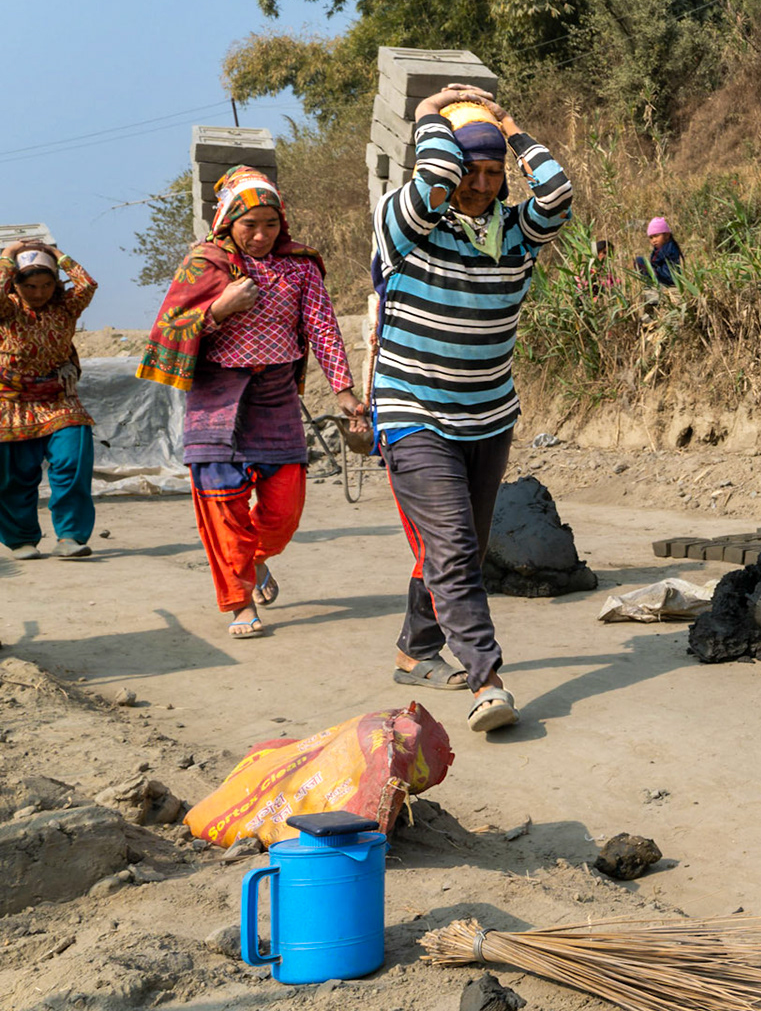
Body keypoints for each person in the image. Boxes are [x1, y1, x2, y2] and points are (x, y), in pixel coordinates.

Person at [371, 84, 572, 735]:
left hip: (489, 415)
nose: (480, 185)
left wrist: (510, 126)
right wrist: (429, 117)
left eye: (492, 174)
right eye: (469, 171)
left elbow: (557, 192)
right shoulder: (405, 223)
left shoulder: (513, 233)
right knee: (455, 547)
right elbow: (431, 179)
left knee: (463, 546)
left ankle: (414, 648)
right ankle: (486, 677)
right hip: (414, 411)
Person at [140, 167, 366, 636]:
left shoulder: (301, 266)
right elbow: (165, 332)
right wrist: (219, 308)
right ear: (228, 222)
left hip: (276, 396)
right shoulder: (203, 265)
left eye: (270, 224)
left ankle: (256, 559)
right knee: (223, 505)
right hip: (215, 399)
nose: (261, 235)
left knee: (285, 509)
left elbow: (322, 327)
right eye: (250, 225)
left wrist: (343, 391)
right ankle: (240, 602)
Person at [0, 240, 98, 560]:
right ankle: (21, 539)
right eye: (30, 286)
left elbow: (87, 284)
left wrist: (57, 254)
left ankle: (70, 535)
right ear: (15, 283)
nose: (38, 293)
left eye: (46, 285)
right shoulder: (7, 308)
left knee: (72, 461)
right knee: (16, 475)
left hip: (58, 399)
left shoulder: (66, 307)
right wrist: (8, 255)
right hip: (11, 403)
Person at [641, 216, 682, 286]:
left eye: (656, 236)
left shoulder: (667, 248)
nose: (654, 240)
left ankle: (651, 281)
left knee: (640, 261)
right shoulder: (667, 246)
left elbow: (654, 262)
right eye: (651, 238)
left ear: (667, 235)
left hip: (667, 276)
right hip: (666, 275)